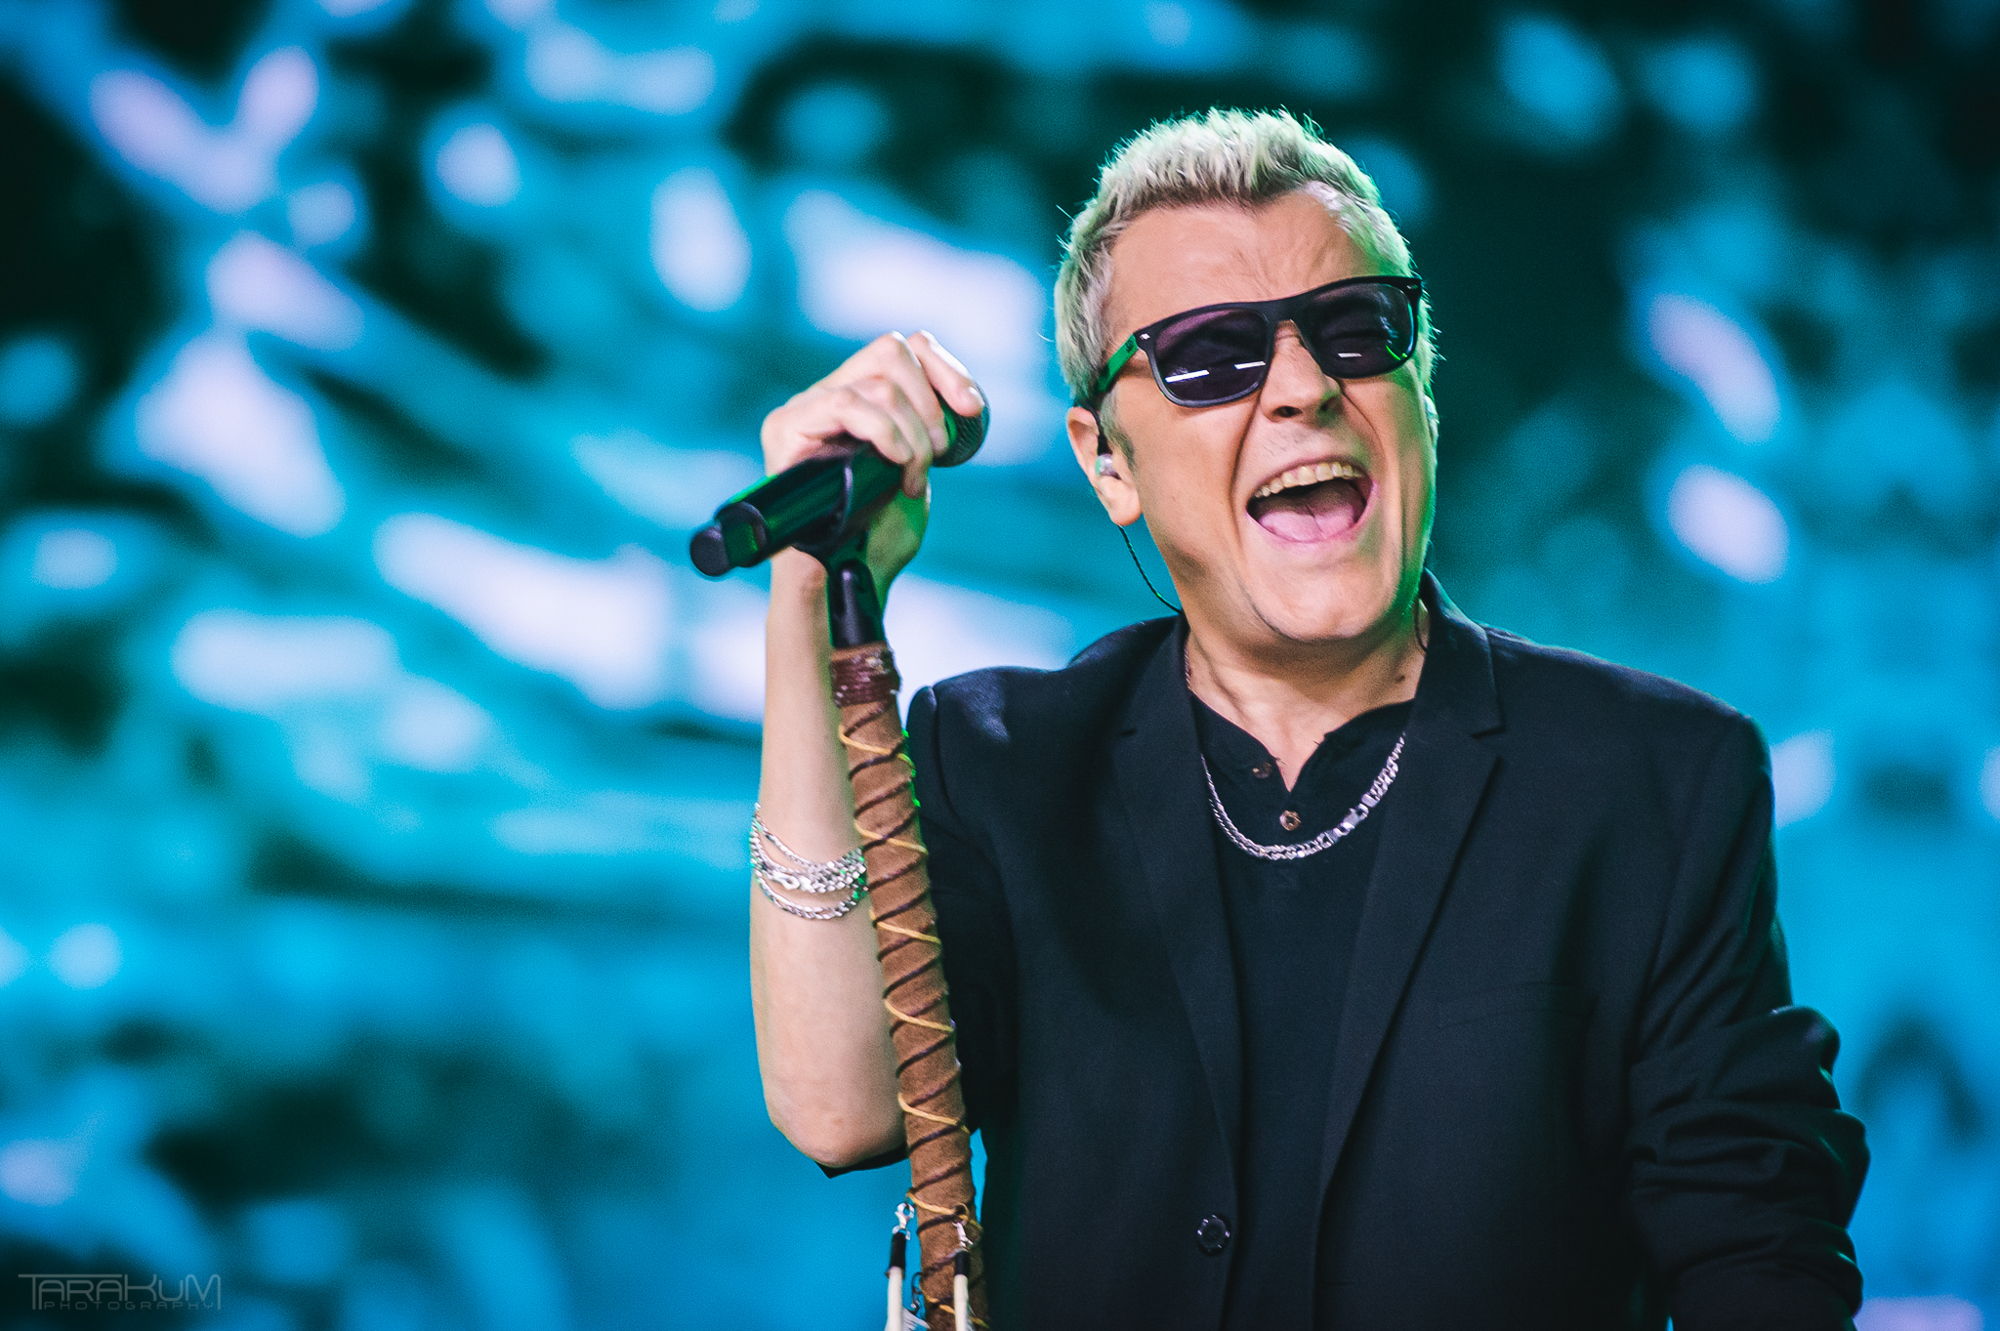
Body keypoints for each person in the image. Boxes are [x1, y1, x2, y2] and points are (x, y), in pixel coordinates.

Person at [747, 108, 1867, 1329]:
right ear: (1106, 461)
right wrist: (811, 590)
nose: (1302, 387)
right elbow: (843, 1105)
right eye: (1209, 354)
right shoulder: (1001, 762)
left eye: (1355, 329)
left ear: (1421, 393)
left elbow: (1758, 1253)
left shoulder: (1654, 781)